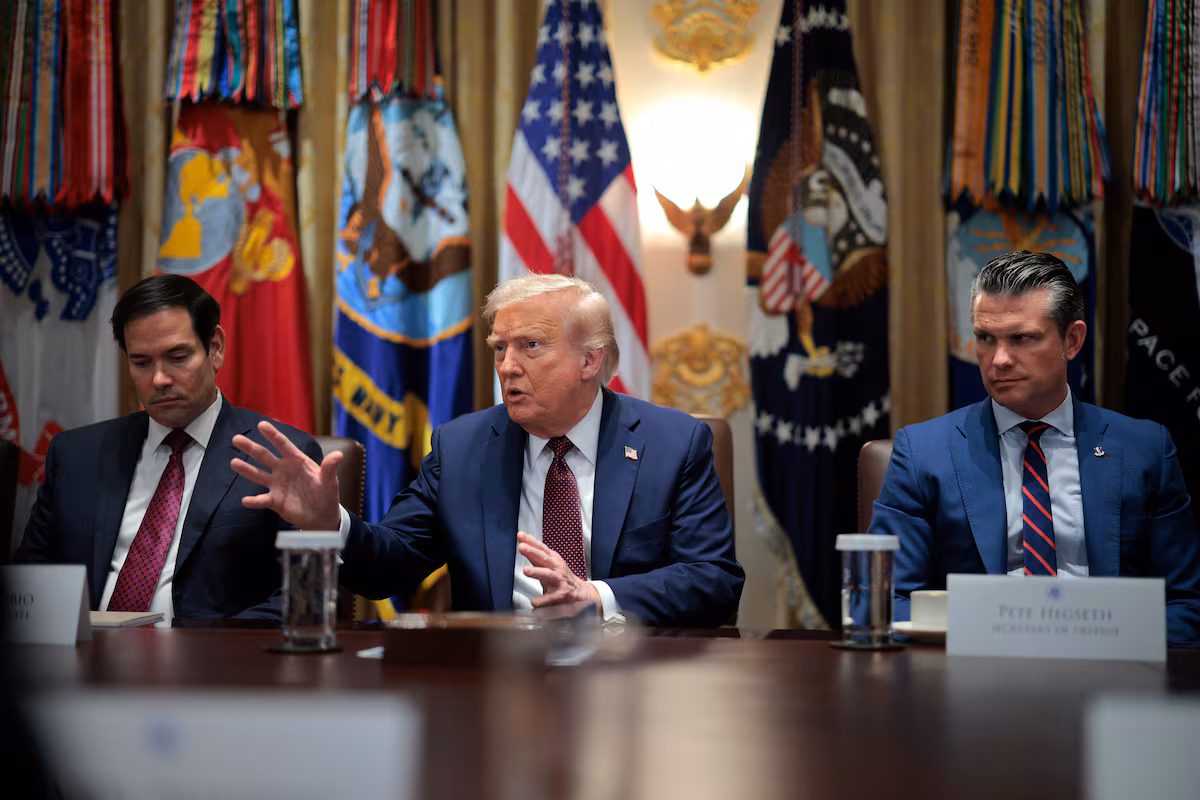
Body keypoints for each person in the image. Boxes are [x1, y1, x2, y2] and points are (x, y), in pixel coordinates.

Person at [232, 274, 744, 627]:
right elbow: (389, 567)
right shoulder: (462, 447)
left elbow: (714, 580)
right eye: (500, 347)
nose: (507, 366)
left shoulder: (672, 443)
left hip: (629, 671)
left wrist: (594, 596)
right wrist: (331, 523)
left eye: (530, 346)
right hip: (494, 676)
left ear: (590, 361)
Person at [870, 250, 1200, 645]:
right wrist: (991, 635)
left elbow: (1186, 605)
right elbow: (885, 600)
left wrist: (1095, 643)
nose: (999, 360)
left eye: (1022, 338)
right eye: (985, 338)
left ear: (1072, 341)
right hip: (975, 666)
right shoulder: (923, 453)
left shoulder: (1144, 450)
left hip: (1109, 663)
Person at [16, 275, 321, 623]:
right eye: (141, 362)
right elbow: (28, 586)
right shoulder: (75, 455)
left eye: (177, 357)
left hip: (210, 655)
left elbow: (304, 595)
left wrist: (200, 646)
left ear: (215, 348)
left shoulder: (279, 457)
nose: (159, 379)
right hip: (86, 650)